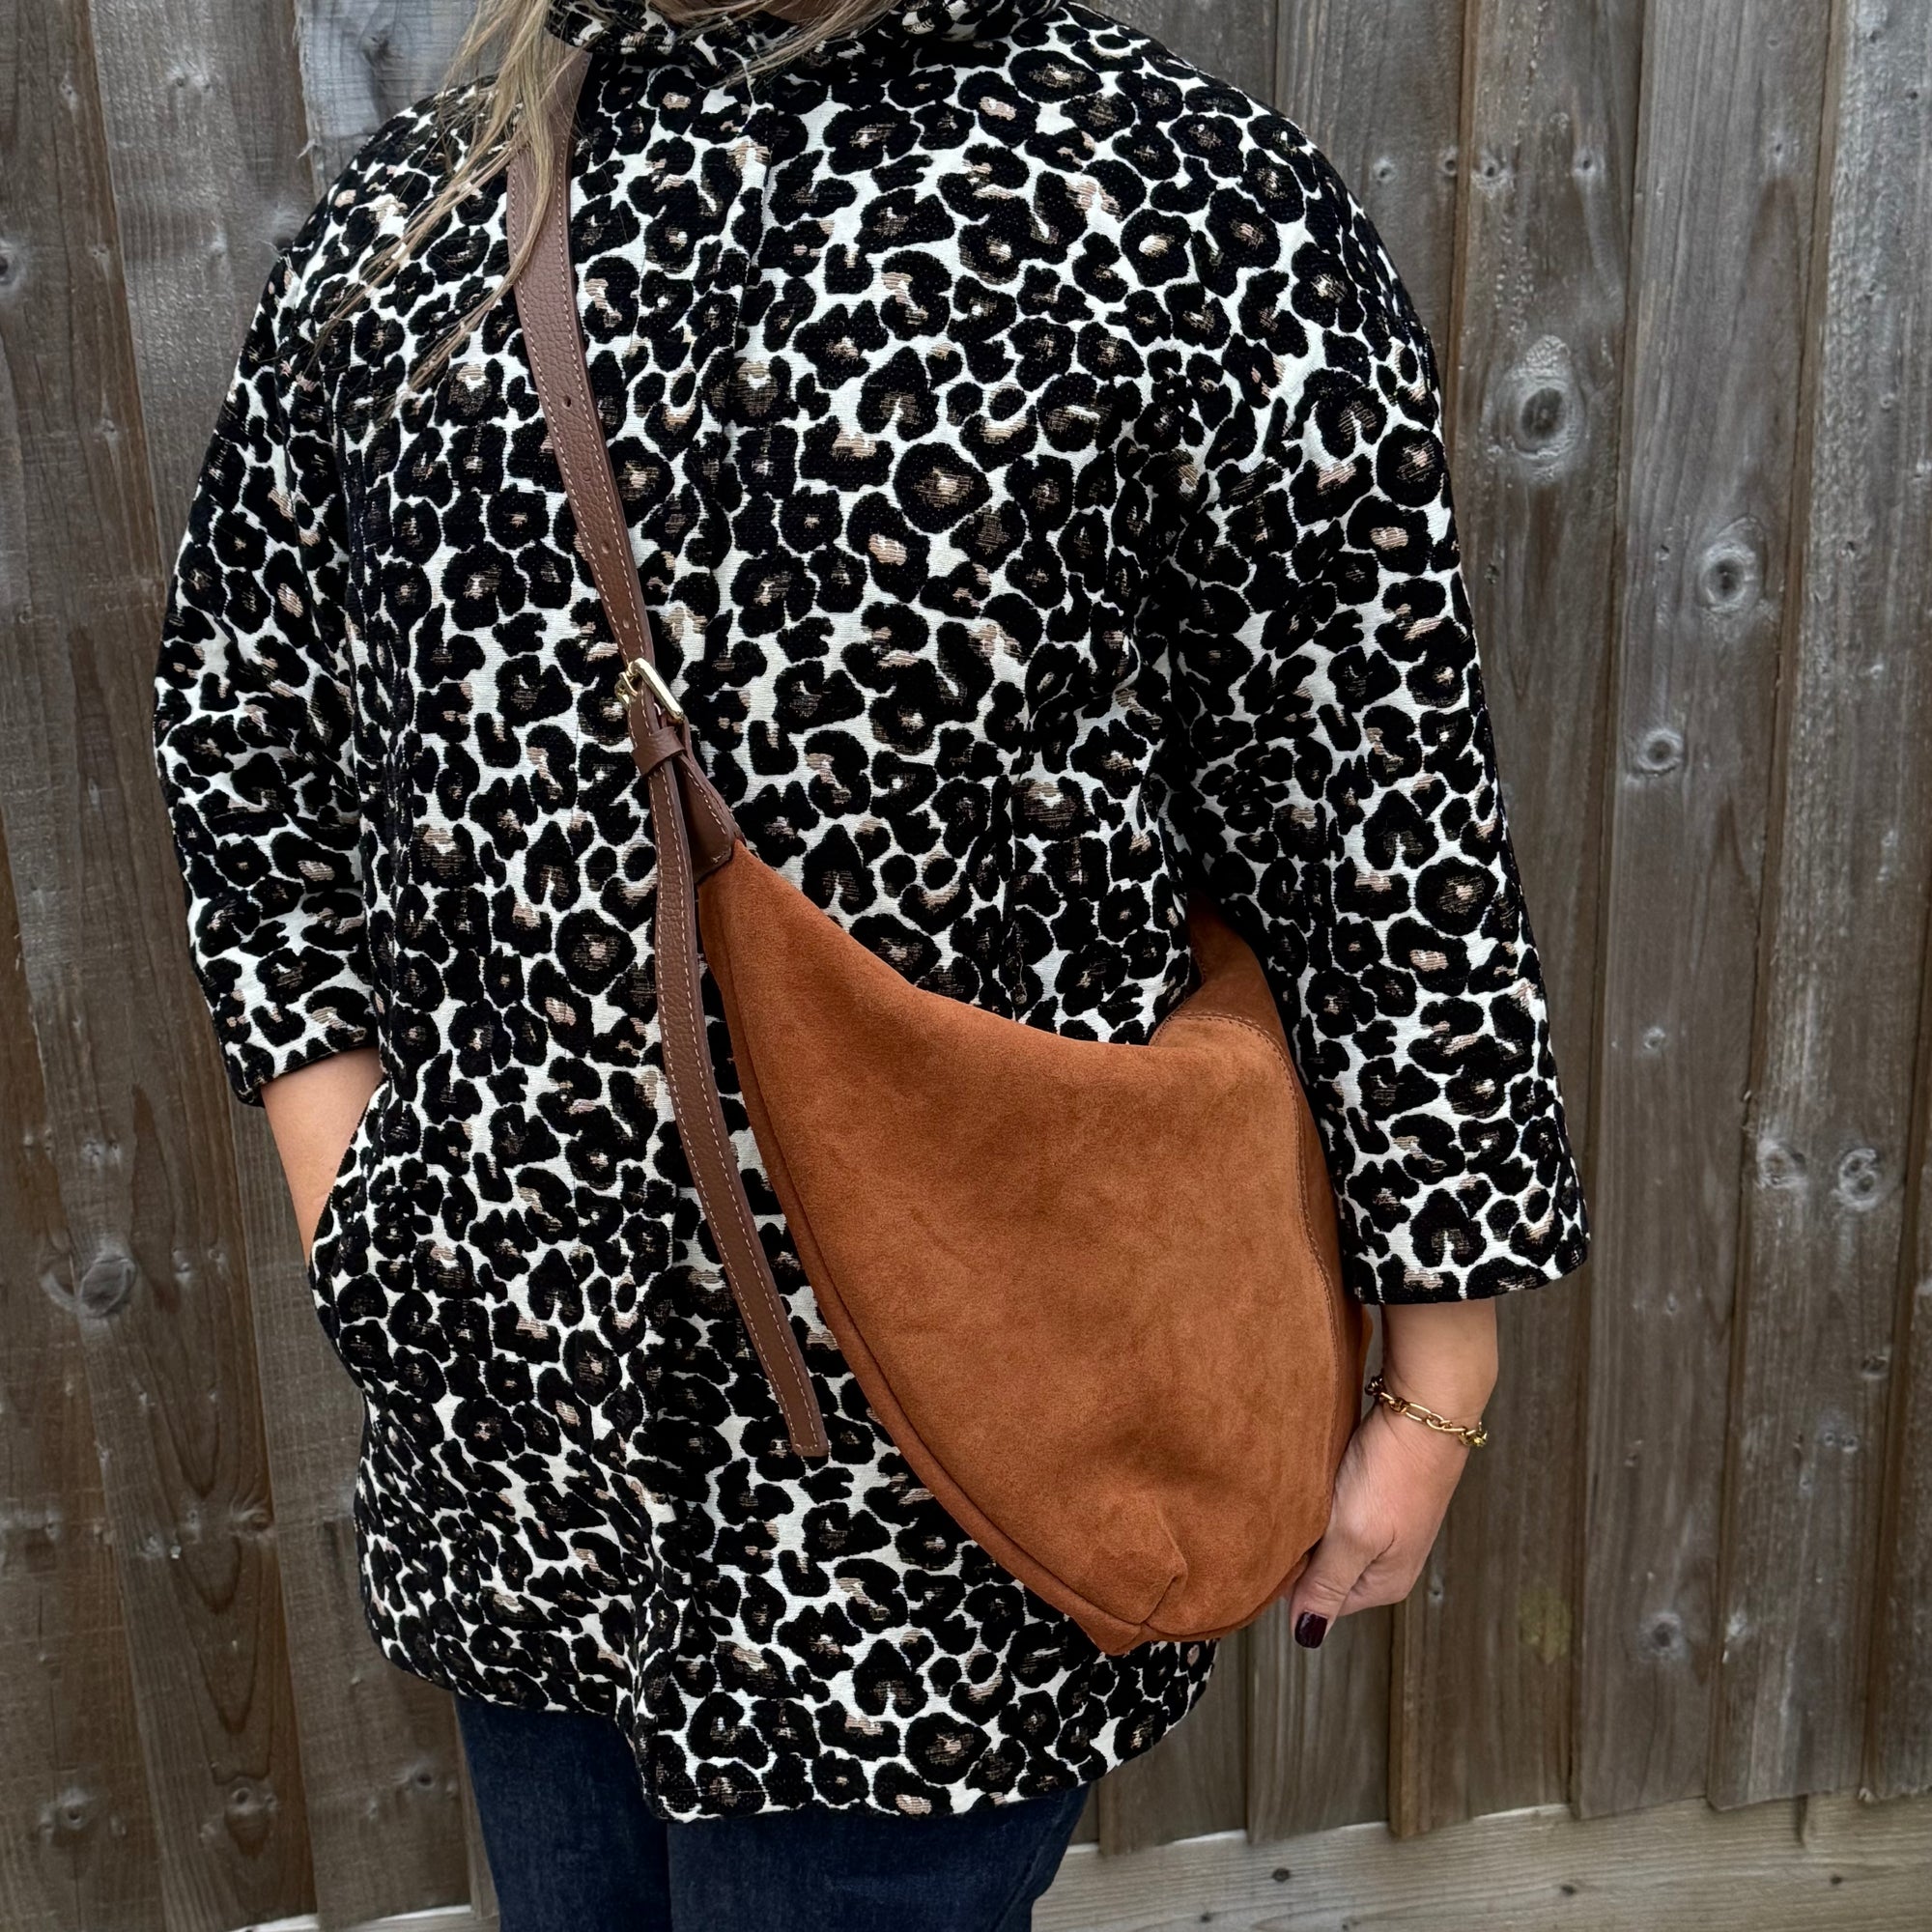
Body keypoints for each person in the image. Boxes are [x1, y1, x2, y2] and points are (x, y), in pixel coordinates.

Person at [151, 0, 1591, 1925]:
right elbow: (239, 710)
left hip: (944, 1489)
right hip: (532, 1457)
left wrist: (1438, 1361)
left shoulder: (1178, 200)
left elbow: (1373, 808)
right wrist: (369, 1200)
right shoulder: (428, 219)